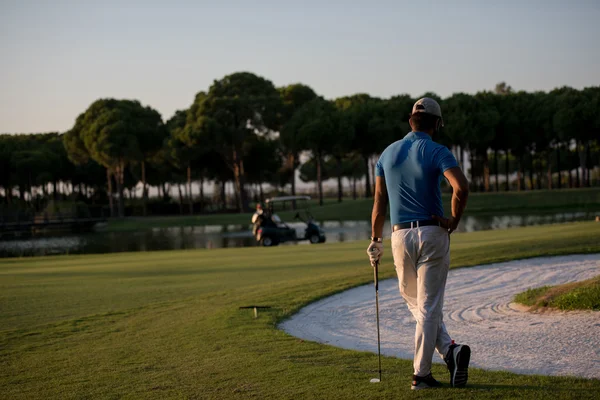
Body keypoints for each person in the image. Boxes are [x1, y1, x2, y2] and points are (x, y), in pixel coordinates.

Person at [367, 98, 471, 390]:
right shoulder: (438, 150)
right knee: (426, 305)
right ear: (436, 124)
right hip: (433, 232)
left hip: (399, 236)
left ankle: (444, 356)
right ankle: (428, 370)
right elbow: (460, 187)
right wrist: (454, 220)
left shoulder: (386, 154)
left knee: (418, 303)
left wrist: (375, 240)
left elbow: (378, 202)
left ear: (410, 120)